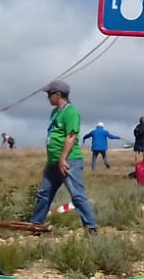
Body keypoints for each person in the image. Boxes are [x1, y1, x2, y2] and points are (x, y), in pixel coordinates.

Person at [28, 80, 99, 231]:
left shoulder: (71, 112)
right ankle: (36, 223)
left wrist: (63, 158)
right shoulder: (55, 112)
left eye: (49, 94)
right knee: (44, 193)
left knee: (77, 195)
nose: (48, 97)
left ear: (58, 94)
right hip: (53, 162)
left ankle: (91, 226)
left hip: (69, 161)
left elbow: (71, 136)